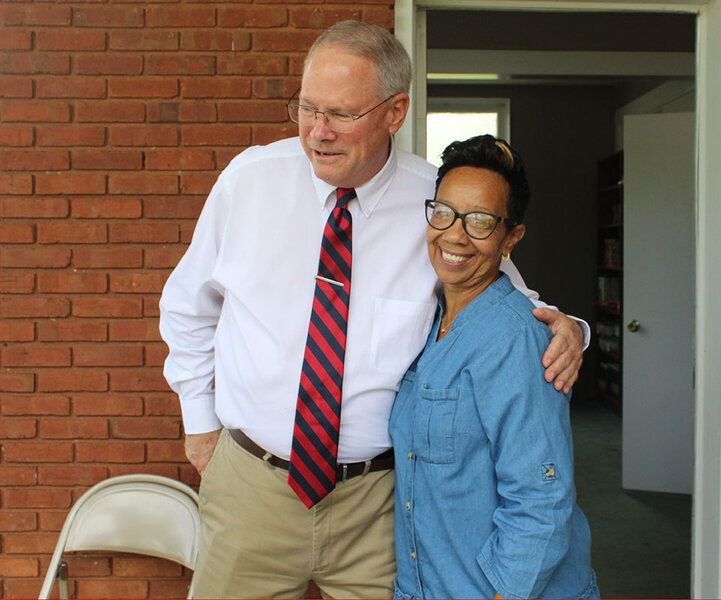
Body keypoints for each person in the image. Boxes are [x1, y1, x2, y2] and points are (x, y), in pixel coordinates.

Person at [159, 21, 587, 599]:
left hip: (380, 505)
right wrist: (200, 427)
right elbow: (187, 306)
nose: (318, 131)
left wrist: (572, 330)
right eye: (307, 108)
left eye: (341, 114)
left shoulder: (436, 204)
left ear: (395, 112)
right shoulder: (249, 181)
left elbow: (506, 296)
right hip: (250, 490)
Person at [389, 135, 599, 600]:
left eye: (480, 221)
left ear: (511, 237)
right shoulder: (429, 318)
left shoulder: (516, 342)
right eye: (443, 212)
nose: (454, 234)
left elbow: (541, 503)